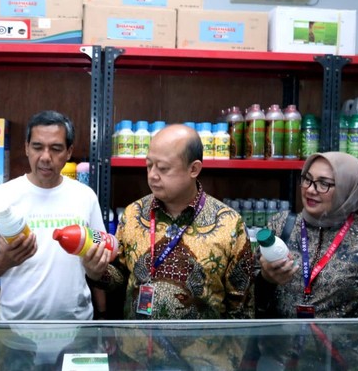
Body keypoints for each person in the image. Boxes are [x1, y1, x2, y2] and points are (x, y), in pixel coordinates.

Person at [86, 123, 254, 320]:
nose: (152, 176)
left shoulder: (228, 223)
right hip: (136, 347)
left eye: (163, 168)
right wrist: (97, 272)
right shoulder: (134, 214)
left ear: (194, 169)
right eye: (149, 165)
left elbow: (242, 306)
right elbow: (120, 279)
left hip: (203, 349)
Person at [0, 110, 106, 322]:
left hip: (76, 328)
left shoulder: (85, 196)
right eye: (37, 147)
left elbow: (99, 262)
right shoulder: (1, 196)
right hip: (16, 330)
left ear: (69, 152)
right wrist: (6, 261)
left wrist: (95, 270)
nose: (46, 157)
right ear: (26, 148)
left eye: (56, 149)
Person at [255, 151, 358, 318]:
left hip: (344, 344)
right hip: (281, 341)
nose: (310, 190)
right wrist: (265, 278)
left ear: (348, 190)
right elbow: (246, 298)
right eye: (307, 179)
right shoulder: (280, 226)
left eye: (324, 183)